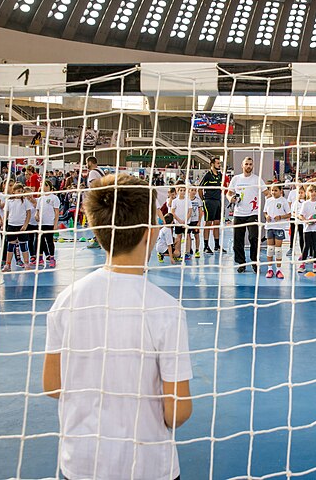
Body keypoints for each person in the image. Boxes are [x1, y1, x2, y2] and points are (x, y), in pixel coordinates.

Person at [43, 174, 193, 480]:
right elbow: (177, 412)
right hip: (149, 465)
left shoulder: (66, 301)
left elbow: (53, 386)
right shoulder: (165, 309)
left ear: (97, 231)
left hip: (81, 463)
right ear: (152, 232)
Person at [227, 157, 267, 273]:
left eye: (250, 164)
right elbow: (228, 194)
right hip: (239, 213)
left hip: (253, 213)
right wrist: (231, 199)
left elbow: (267, 193)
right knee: (237, 240)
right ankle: (241, 263)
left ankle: (254, 262)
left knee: (253, 238)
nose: (248, 166)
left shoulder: (257, 179)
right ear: (242, 165)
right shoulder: (236, 179)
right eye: (246, 164)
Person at [2, 183, 32, 271]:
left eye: (22, 191)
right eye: (18, 191)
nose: (20, 193)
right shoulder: (9, 201)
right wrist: (4, 224)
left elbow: (28, 213)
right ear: (14, 192)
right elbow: (6, 213)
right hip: (11, 225)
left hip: (21, 226)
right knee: (10, 245)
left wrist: (25, 225)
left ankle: (26, 263)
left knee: (23, 245)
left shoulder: (25, 201)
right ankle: (8, 264)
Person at [263, 184, 290, 279]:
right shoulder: (268, 200)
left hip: (279, 227)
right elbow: (265, 211)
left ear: (280, 190)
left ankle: (278, 270)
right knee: (270, 249)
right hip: (270, 227)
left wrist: (280, 217)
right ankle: (269, 269)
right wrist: (266, 216)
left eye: (275, 190)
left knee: (278, 250)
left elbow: (289, 214)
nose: (273, 192)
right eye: (272, 190)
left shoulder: (284, 201)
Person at [198, 156, 224, 254]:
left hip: (218, 201)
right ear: (212, 164)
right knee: (208, 223)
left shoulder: (220, 175)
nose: (219, 165)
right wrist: (204, 199)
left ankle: (217, 245)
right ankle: (205, 246)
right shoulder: (207, 175)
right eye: (217, 163)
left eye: (219, 163)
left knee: (217, 222)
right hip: (209, 201)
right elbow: (200, 188)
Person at [298, 184, 316, 275]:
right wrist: (306, 221)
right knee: (306, 246)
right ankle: (302, 264)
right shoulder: (305, 203)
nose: (313, 193)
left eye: (315, 191)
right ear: (308, 193)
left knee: (315, 245)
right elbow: (300, 216)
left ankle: (315, 264)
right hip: (307, 228)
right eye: (311, 191)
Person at [36, 180, 61, 268]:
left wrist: (55, 224)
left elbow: (57, 212)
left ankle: (52, 258)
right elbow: (38, 210)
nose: (42, 187)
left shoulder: (54, 198)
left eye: (43, 185)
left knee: (50, 241)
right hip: (41, 223)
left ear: (48, 186)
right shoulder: (40, 198)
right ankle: (40, 258)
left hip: (50, 222)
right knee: (41, 240)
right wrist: (36, 215)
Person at [84, 156, 105, 248]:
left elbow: (94, 186)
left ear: (90, 163)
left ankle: (97, 240)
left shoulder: (92, 172)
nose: (86, 165)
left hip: (97, 199)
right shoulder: (100, 171)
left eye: (86, 163)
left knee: (96, 220)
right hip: (104, 198)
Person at [170, 182, 191, 261]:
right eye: (181, 190)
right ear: (177, 191)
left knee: (187, 237)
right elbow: (173, 212)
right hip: (178, 222)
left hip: (186, 222)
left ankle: (187, 253)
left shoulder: (188, 200)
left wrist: (185, 221)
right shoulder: (175, 201)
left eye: (183, 190)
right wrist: (179, 220)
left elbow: (190, 211)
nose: (182, 192)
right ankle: (177, 253)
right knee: (178, 237)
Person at [187, 186, 203, 260]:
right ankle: (189, 249)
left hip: (195, 220)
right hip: (188, 221)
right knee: (188, 236)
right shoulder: (186, 200)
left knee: (196, 236)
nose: (193, 192)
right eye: (192, 190)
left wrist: (199, 221)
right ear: (189, 191)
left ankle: (197, 250)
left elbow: (200, 211)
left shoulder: (198, 200)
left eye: (195, 190)